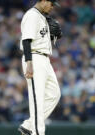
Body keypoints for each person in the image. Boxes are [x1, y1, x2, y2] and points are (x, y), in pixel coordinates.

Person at [18, 0, 61, 135]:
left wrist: (54, 35)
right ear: (43, 1)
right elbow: (26, 40)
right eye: (51, 3)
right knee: (37, 99)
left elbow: (43, 37)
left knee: (54, 94)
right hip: (34, 57)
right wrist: (29, 63)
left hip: (45, 59)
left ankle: (29, 125)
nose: (52, 7)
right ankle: (37, 132)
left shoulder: (42, 16)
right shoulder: (32, 15)